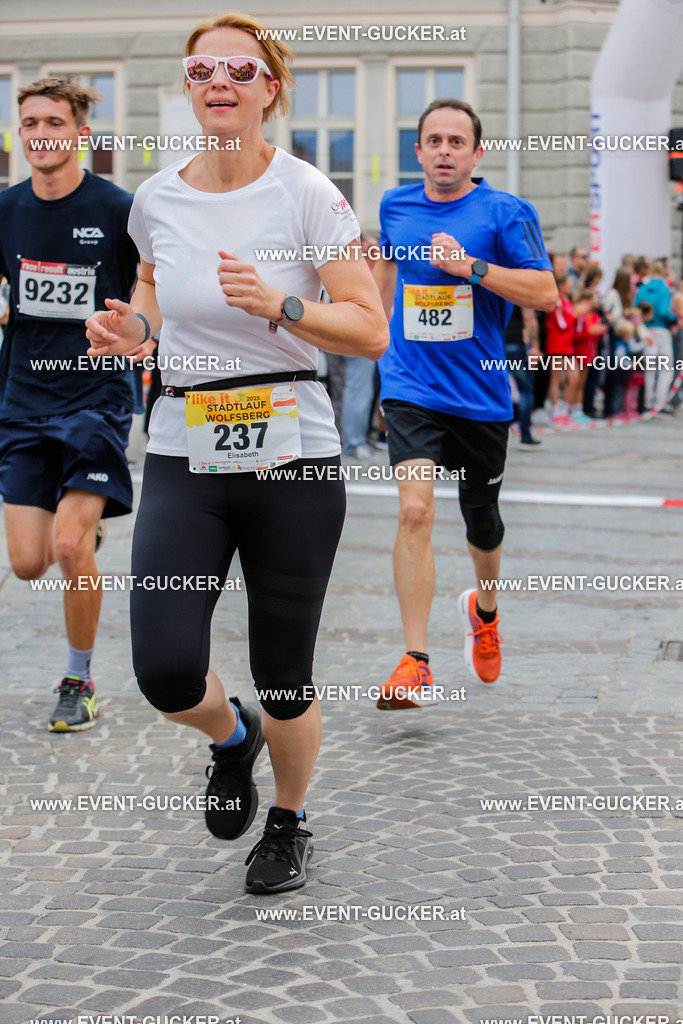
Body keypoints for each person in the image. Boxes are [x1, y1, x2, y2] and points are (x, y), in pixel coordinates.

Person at [85, 13, 388, 893]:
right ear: (189, 87)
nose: (219, 80)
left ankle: (287, 824)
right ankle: (231, 736)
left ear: (270, 90)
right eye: (202, 69)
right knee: (164, 667)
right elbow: (152, 292)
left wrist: (282, 306)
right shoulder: (155, 199)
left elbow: (368, 327)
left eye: (240, 70)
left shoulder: (306, 194)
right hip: (186, 446)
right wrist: (132, 330)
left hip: (291, 452)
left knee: (283, 671)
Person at [372, 97, 556, 709]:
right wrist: (374, 335)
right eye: (434, 141)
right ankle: (416, 663)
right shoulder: (395, 206)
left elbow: (545, 292)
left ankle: (485, 610)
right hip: (410, 385)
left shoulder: (506, 212)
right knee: (414, 510)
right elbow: (386, 280)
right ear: (418, 151)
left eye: (457, 142)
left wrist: (471, 267)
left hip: (479, 392)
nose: (445, 151)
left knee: (482, 520)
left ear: (477, 153)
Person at [0, 77, 143, 732]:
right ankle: (85, 526)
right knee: (27, 563)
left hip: (96, 396)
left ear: (81, 134)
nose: (40, 134)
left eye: (53, 123)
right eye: (30, 123)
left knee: (66, 546)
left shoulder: (118, 208)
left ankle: (78, 679)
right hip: (23, 397)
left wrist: (140, 332)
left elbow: (152, 287)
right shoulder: (6, 208)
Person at [341, 232, 380, 459]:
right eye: (372, 245)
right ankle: (353, 443)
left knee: (363, 391)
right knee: (358, 390)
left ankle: (359, 439)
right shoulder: (354, 268)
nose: (377, 250)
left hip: (366, 335)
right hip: (359, 335)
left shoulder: (364, 266)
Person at [635, 260, 677, 410]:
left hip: (647, 331)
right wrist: (675, 319)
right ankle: (659, 401)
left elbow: (636, 308)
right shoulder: (664, 289)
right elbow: (663, 311)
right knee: (666, 367)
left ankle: (647, 401)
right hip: (662, 330)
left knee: (649, 368)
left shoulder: (642, 289)